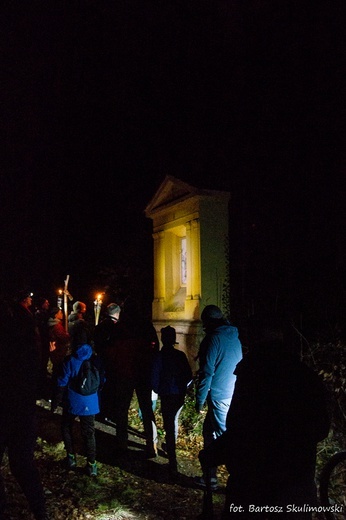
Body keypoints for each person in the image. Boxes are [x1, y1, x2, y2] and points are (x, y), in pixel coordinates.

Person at [198, 316, 331, 519]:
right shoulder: (306, 376)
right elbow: (321, 427)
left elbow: (241, 429)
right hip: (296, 490)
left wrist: (213, 454)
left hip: (253, 490)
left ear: (255, 341)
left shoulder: (252, 376)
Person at [0, 291, 48, 519]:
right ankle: (40, 511)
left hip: (14, 407)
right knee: (22, 465)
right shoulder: (28, 346)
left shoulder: (17, 349)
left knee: (22, 465)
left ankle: (39, 510)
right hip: (21, 407)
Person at [194, 304, 242, 491]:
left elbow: (207, 373)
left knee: (224, 437)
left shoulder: (212, 339)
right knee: (209, 432)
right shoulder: (234, 336)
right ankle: (210, 478)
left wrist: (199, 400)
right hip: (232, 392)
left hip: (219, 396)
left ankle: (239, 480)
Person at [105, 297, 159, 458]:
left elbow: (112, 350)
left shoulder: (119, 327)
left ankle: (122, 443)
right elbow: (155, 347)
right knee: (147, 409)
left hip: (124, 373)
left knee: (122, 409)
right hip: (142, 372)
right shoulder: (146, 325)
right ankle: (152, 444)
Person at [151, 326, 192, 476]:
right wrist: (183, 388)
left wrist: (158, 390)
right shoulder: (180, 355)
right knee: (173, 422)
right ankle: (170, 450)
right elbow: (188, 376)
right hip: (178, 395)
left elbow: (154, 377)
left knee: (169, 424)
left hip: (167, 394)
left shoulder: (160, 357)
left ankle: (173, 462)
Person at [55, 342, 100, 477]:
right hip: (90, 402)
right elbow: (101, 378)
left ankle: (71, 458)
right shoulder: (94, 359)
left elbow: (62, 381)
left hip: (73, 401)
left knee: (66, 427)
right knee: (89, 433)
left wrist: (57, 400)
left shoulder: (70, 361)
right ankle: (92, 465)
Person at [93, 303, 121, 420]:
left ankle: (99, 411)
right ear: (117, 313)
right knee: (110, 388)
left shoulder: (100, 325)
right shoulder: (116, 327)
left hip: (100, 359)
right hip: (111, 361)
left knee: (100, 386)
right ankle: (109, 412)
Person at [47, 306, 71, 411]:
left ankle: (54, 396)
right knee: (57, 376)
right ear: (56, 314)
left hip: (57, 353)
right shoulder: (57, 327)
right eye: (60, 312)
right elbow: (65, 338)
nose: (62, 314)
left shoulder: (56, 325)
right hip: (58, 354)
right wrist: (68, 335)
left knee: (56, 375)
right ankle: (55, 398)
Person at [35, 297, 51, 397]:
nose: (48, 304)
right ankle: (40, 388)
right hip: (42, 342)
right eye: (46, 303)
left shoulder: (44, 314)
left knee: (43, 364)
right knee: (41, 364)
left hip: (44, 341)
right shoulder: (39, 314)